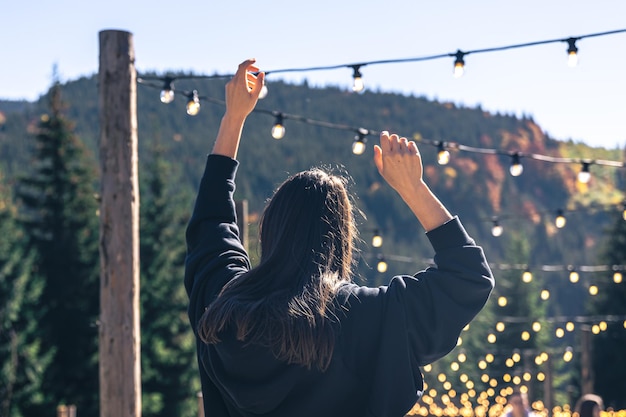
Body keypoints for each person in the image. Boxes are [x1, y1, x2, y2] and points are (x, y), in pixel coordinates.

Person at [184, 58, 495, 417]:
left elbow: (211, 222)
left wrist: (233, 119)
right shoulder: (365, 318)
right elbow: (469, 277)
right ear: (341, 239)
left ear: (270, 228)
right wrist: (413, 188)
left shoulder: (223, 310)